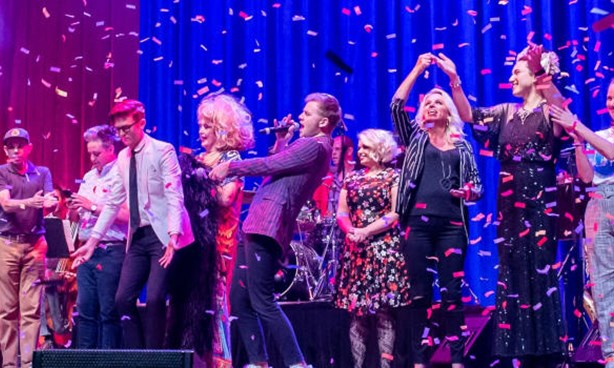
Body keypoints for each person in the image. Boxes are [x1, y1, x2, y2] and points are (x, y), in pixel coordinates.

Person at [450, 45, 567, 366]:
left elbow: (563, 114)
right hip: (508, 200)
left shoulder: (548, 112)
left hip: (540, 200)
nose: (511, 76)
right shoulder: (505, 112)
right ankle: (516, 347)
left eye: (518, 71)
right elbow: (468, 116)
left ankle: (545, 351)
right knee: (512, 267)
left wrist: (542, 72)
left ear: (536, 76)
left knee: (538, 267)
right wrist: (454, 80)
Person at [210, 92, 339, 368]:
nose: (301, 116)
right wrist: (281, 141)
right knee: (240, 300)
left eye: (308, 112)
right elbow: (278, 166)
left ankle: (296, 363)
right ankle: (259, 362)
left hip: (268, 224)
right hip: (258, 223)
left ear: (324, 121)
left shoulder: (316, 145)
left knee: (262, 300)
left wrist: (230, 167)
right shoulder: (307, 145)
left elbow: (270, 165)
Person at [71, 100, 194, 349]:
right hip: (138, 236)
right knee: (122, 299)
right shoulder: (123, 158)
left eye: (126, 127)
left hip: (163, 234)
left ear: (141, 123)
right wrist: (92, 242)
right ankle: (139, 354)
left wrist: (173, 236)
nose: (122, 134)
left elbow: (174, 196)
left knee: (157, 298)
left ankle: (154, 357)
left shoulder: (163, 150)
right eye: (118, 129)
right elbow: (114, 201)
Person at [391, 54, 483, 368]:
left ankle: (457, 360)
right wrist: (417, 69)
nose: (431, 105)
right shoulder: (415, 139)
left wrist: (470, 191)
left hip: (452, 226)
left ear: (448, 112)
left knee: (452, 293)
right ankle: (418, 360)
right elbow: (395, 106)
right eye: (427, 102)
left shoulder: (463, 145)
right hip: (416, 225)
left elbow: (477, 185)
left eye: (438, 102)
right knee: (419, 294)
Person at [166, 93, 254, 368]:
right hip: (193, 244)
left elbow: (226, 197)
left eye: (207, 126)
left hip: (219, 244)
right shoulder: (198, 159)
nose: (201, 132)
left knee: (215, 307)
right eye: (200, 126)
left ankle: (220, 363)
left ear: (222, 129)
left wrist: (196, 187)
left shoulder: (232, 158)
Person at [551, 78, 614, 367]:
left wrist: (579, 128)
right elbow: (588, 177)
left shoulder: (597, 137)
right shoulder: (599, 134)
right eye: (610, 98)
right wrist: (577, 142)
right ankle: (612, 354)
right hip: (598, 205)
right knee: (603, 284)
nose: (611, 104)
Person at [334, 128, 410, 368]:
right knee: (357, 313)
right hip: (356, 251)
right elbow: (342, 213)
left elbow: (395, 213)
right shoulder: (352, 178)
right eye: (360, 147)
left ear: (380, 150)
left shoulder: (394, 177)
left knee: (384, 313)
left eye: (365, 147)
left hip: (384, 250)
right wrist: (351, 231)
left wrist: (366, 231)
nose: (360, 151)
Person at [0, 128, 58, 368]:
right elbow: (6, 204)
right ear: (5, 150)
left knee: (31, 309)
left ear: (29, 148)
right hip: (7, 244)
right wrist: (29, 203)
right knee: (6, 310)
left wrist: (52, 202)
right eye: (11, 146)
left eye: (20, 145)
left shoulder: (42, 172)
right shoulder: (2, 172)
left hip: (35, 246)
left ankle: (28, 365)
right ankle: (9, 364)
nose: (16, 150)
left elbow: (50, 199)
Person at [67, 125, 128, 349]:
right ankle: (85, 360)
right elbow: (78, 215)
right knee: (85, 312)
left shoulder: (121, 174)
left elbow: (126, 214)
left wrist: (91, 206)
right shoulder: (89, 176)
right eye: (90, 154)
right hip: (86, 250)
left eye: (97, 154)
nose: (92, 158)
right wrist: (73, 208)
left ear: (111, 148)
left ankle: (108, 361)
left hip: (111, 250)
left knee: (108, 313)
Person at [313, 135, 356, 218]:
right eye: (332, 149)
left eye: (337, 149)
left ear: (349, 151)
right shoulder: (328, 177)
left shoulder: (358, 176)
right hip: (330, 227)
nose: (333, 153)